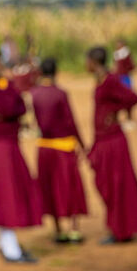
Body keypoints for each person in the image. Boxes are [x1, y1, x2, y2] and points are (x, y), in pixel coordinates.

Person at [0, 50, 42, 262]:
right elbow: (6, 106)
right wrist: (8, 104)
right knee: (5, 193)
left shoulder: (3, 84)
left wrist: (8, 104)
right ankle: (10, 247)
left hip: (9, 143)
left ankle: (7, 243)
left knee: (10, 191)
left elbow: (20, 107)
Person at [85, 46, 137, 244]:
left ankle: (122, 231)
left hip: (113, 141)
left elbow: (134, 97)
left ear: (94, 62)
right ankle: (118, 227)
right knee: (105, 183)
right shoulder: (101, 79)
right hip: (102, 140)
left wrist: (115, 112)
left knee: (117, 184)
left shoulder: (111, 80)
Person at [30, 58, 87, 244]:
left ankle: (58, 230)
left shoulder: (35, 93)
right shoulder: (60, 94)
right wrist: (83, 145)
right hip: (63, 147)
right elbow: (70, 121)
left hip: (44, 147)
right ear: (56, 71)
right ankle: (74, 230)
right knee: (70, 187)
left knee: (50, 187)